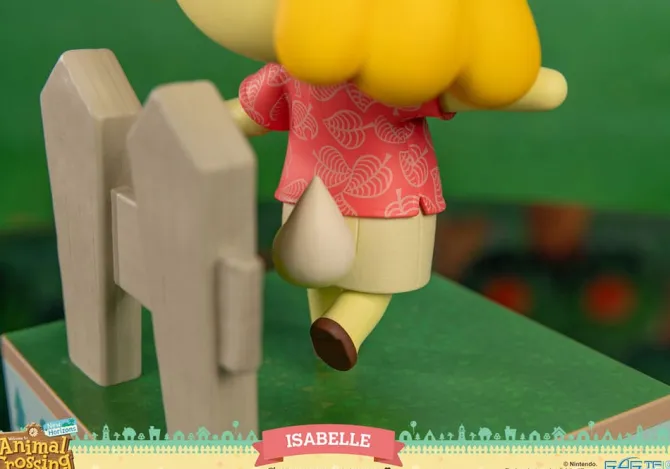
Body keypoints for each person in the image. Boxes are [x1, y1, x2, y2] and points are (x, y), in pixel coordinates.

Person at [177, 0, 568, 371]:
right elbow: (457, 94)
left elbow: (248, 114)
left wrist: (195, 123)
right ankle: (340, 329)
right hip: (382, 199)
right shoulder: (378, 77)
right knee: (366, 282)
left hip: (319, 195)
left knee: (332, 274)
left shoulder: (345, 73)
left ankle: (333, 330)